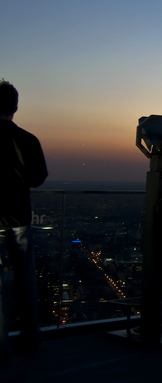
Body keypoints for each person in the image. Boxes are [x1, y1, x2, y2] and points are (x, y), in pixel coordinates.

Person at [0, 80, 46, 356]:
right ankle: (31, 336)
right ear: (15, 107)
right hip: (17, 215)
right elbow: (38, 177)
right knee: (25, 277)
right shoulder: (28, 139)